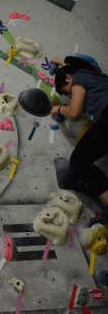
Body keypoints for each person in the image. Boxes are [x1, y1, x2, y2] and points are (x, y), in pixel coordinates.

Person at [50, 56, 108, 226]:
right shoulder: (95, 76)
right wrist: (64, 65)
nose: (70, 94)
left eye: (67, 91)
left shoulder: (80, 76)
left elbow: (74, 111)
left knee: (79, 160)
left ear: (69, 78)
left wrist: (59, 108)